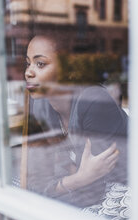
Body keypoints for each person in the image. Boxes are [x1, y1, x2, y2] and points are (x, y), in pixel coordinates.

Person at [24, 35, 128, 209]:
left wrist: (68, 181)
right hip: (94, 189)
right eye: (28, 63)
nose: (28, 72)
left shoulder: (93, 102)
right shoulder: (39, 103)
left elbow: (91, 191)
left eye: (40, 64)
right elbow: (36, 181)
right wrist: (79, 178)